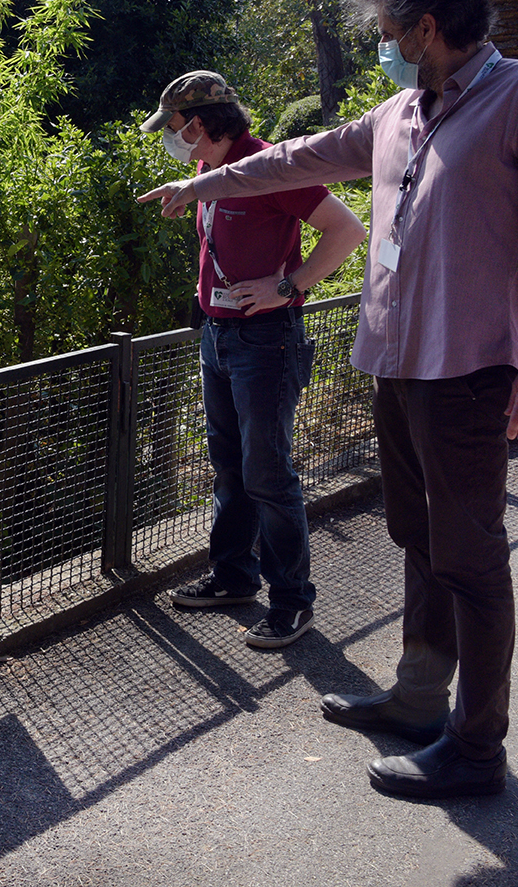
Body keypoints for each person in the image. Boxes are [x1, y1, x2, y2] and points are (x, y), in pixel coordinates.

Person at [139, 0, 518, 799]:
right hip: (397, 362)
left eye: (388, 34)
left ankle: (475, 748)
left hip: (473, 369)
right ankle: (419, 701)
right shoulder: (399, 112)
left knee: (471, 554)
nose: (381, 47)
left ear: (427, 29)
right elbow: (299, 158)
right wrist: (201, 180)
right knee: (417, 536)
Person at [140, 72, 365, 649]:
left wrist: (289, 285)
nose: (171, 138)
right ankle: (235, 578)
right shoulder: (207, 171)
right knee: (229, 466)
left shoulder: (272, 165)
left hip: (266, 341)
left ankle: (293, 601)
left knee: (268, 473)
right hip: (219, 338)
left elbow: (347, 229)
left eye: (173, 128)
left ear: (198, 124)